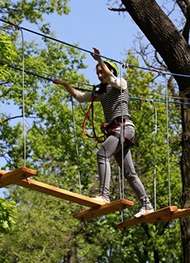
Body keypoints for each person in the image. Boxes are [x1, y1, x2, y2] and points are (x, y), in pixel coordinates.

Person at [53, 47, 153, 218]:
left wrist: (100, 60)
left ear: (111, 71)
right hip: (117, 131)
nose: (99, 75)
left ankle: (104, 195)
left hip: (124, 127)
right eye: (97, 73)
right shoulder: (102, 93)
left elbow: (110, 78)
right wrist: (64, 84)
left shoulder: (121, 84)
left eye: (102, 72)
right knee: (129, 173)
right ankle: (147, 205)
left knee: (102, 154)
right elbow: (79, 96)